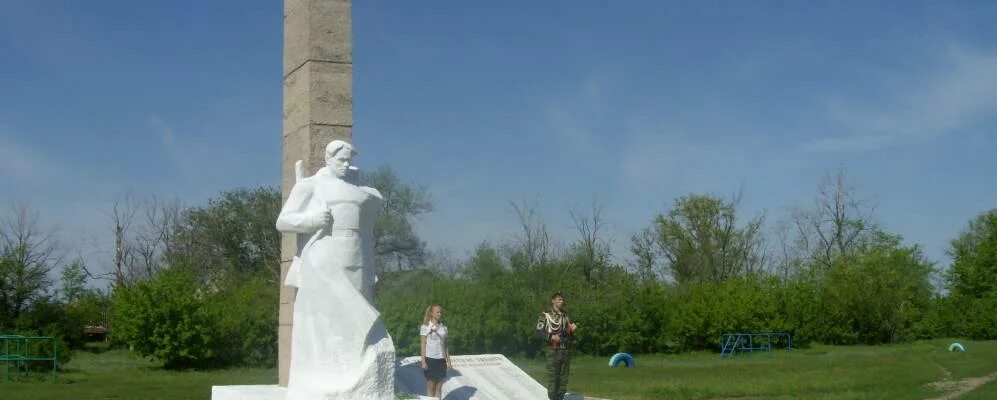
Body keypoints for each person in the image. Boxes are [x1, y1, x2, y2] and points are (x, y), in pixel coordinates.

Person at [276, 140, 395, 400]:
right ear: (328, 159)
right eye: (341, 160)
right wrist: (311, 220)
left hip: (356, 258)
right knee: (327, 323)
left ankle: (351, 375)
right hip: (324, 261)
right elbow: (283, 221)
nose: (346, 165)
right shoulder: (311, 185)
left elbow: (366, 227)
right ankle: (324, 378)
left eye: (349, 160)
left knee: (354, 322)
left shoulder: (359, 189)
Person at [536, 291, 577, 400]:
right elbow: (539, 332)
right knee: (554, 378)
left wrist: (572, 330)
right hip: (553, 350)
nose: (561, 301)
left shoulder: (565, 315)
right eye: (559, 299)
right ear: (553, 301)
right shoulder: (545, 315)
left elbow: (569, 333)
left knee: (563, 379)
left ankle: (560, 398)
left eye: (562, 300)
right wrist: (551, 337)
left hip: (565, 350)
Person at [419, 304, 451, 398]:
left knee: (439, 387)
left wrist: (448, 361)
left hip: (441, 359)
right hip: (430, 359)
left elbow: (446, 346)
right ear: (431, 313)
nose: (439, 314)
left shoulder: (444, 328)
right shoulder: (425, 327)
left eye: (440, 312)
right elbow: (422, 345)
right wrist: (423, 361)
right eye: (437, 312)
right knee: (431, 386)